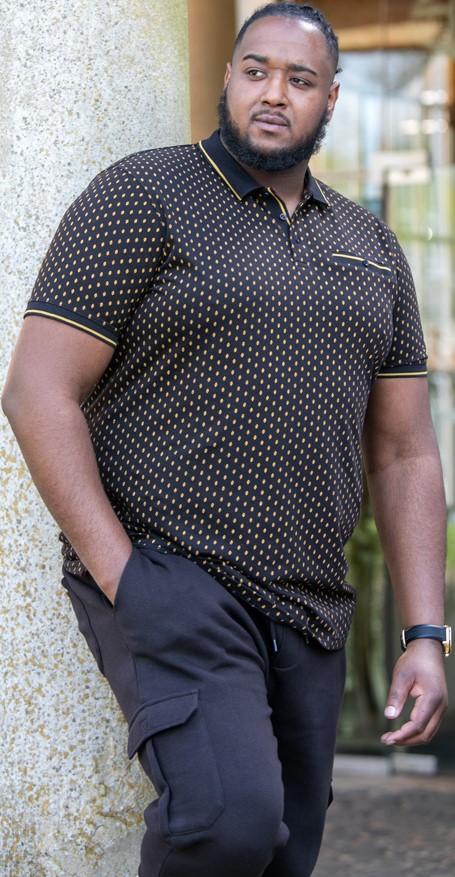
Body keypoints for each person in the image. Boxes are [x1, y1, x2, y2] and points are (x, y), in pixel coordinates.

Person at [2, 3, 451, 876]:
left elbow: (405, 451)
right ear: (227, 78)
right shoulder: (145, 194)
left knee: (283, 850)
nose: (272, 93)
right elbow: (37, 391)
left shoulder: (370, 247)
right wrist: (124, 576)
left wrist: (424, 633)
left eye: (299, 78)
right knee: (224, 822)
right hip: (175, 576)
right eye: (255, 70)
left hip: (311, 603)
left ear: (330, 99)